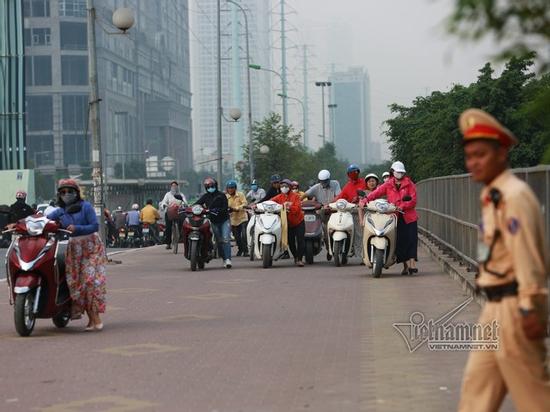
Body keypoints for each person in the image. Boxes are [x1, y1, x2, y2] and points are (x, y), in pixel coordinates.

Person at [457, 109, 550, 412]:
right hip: (493, 307)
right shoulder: (493, 195)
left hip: (514, 309)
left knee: (535, 399)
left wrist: (532, 308)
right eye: (470, 156)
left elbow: (528, 258)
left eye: (481, 154)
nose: (473, 163)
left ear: (501, 153)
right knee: (475, 395)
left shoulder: (514, 196)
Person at [47, 179, 106, 331]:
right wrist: (22, 222)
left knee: (90, 282)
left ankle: (96, 318)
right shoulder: (60, 210)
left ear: (76, 193)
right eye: (63, 192)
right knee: (77, 284)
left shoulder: (85, 206)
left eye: (70, 191)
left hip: (91, 247)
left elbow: (94, 226)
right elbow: (44, 219)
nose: (66, 194)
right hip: (74, 249)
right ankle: (91, 319)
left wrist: (77, 228)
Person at [362, 161, 418, 275]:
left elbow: (413, 200)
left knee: (411, 240)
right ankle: (406, 266)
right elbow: (376, 193)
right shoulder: (388, 184)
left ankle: (412, 265)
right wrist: (365, 200)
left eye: (402, 172)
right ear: (392, 172)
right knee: (400, 241)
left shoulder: (409, 184)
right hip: (394, 216)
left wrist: (401, 206)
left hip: (408, 216)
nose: (400, 174)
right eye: (398, 172)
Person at [195, 177, 232, 268]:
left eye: (212, 185)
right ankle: (223, 258)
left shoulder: (221, 195)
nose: (210, 187)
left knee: (226, 239)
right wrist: (191, 208)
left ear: (215, 185)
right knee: (219, 241)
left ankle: (227, 259)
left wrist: (218, 210)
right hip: (213, 221)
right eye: (208, 186)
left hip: (224, 220)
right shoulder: (205, 196)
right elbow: (197, 203)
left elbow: (225, 207)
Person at [305, 169, 342, 261]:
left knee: (331, 231)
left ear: (329, 179)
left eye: (325, 181)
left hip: (333, 210)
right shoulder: (316, 187)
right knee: (322, 231)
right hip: (321, 211)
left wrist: (329, 204)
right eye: (321, 181)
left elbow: (338, 196)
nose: (323, 183)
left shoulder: (335, 184)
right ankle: (325, 247)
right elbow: (305, 194)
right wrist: (297, 200)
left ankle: (333, 249)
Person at [335, 165, 367, 260]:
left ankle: (362, 255)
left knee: (360, 234)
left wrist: (361, 197)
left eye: (356, 172)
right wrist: (329, 204)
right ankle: (348, 248)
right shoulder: (347, 186)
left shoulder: (364, 182)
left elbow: (370, 193)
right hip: (349, 212)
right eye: (352, 172)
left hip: (361, 211)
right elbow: (340, 197)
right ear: (348, 174)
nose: (354, 174)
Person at [271, 179, 306, 267]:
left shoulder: (295, 196)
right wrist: (258, 205)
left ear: (290, 187)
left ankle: (300, 259)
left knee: (300, 240)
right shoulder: (279, 197)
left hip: (298, 222)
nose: (284, 188)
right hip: (288, 224)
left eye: (286, 186)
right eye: (282, 186)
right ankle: (295, 257)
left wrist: (289, 207)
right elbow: (270, 201)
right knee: (290, 242)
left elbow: (297, 208)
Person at [160, 181, 187, 250]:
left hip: (178, 212)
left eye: (175, 186)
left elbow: (185, 202)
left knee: (183, 223)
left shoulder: (181, 194)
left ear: (177, 187)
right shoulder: (167, 194)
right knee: (168, 227)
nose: (174, 187)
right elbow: (164, 202)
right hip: (170, 212)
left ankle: (182, 238)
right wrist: (164, 205)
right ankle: (168, 243)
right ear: (171, 187)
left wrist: (184, 204)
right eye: (173, 186)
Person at [225, 180, 249, 257]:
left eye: (232, 188)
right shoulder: (226, 197)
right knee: (237, 237)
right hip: (233, 220)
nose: (230, 190)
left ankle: (246, 251)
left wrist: (236, 208)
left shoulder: (240, 195)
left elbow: (245, 203)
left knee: (244, 235)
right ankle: (240, 249)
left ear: (235, 188)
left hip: (242, 218)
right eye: (229, 188)